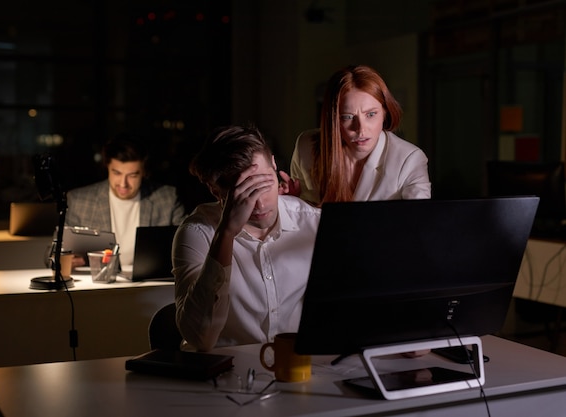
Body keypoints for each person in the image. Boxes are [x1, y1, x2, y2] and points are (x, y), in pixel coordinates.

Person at [173, 125, 321, 351]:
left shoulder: (313, 223)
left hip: (295, 368)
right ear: (216, 191)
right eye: (244, 193)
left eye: (264, 184)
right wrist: (226, 233)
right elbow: (199, 338)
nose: (260, 204)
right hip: (223, 373)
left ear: (273, 164)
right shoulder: (197, 232)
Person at [283, 64, 431, 206]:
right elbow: (303, 217)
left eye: (371, 114)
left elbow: (419, 225)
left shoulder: (409, 160)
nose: (360, 129)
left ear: (385, 112)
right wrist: (288, 204)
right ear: (333, 119)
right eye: (347, 117)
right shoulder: (307, 146)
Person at [65, 133, 186, 267]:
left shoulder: (167, 199)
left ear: (144, 172)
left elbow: (189, 247)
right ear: (107, 167)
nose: (123, 184)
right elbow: (51, 255)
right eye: (117, 173)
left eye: (132, 175)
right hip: (97, 285)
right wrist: (66, 259)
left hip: (151, 283)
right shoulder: (80, 201)